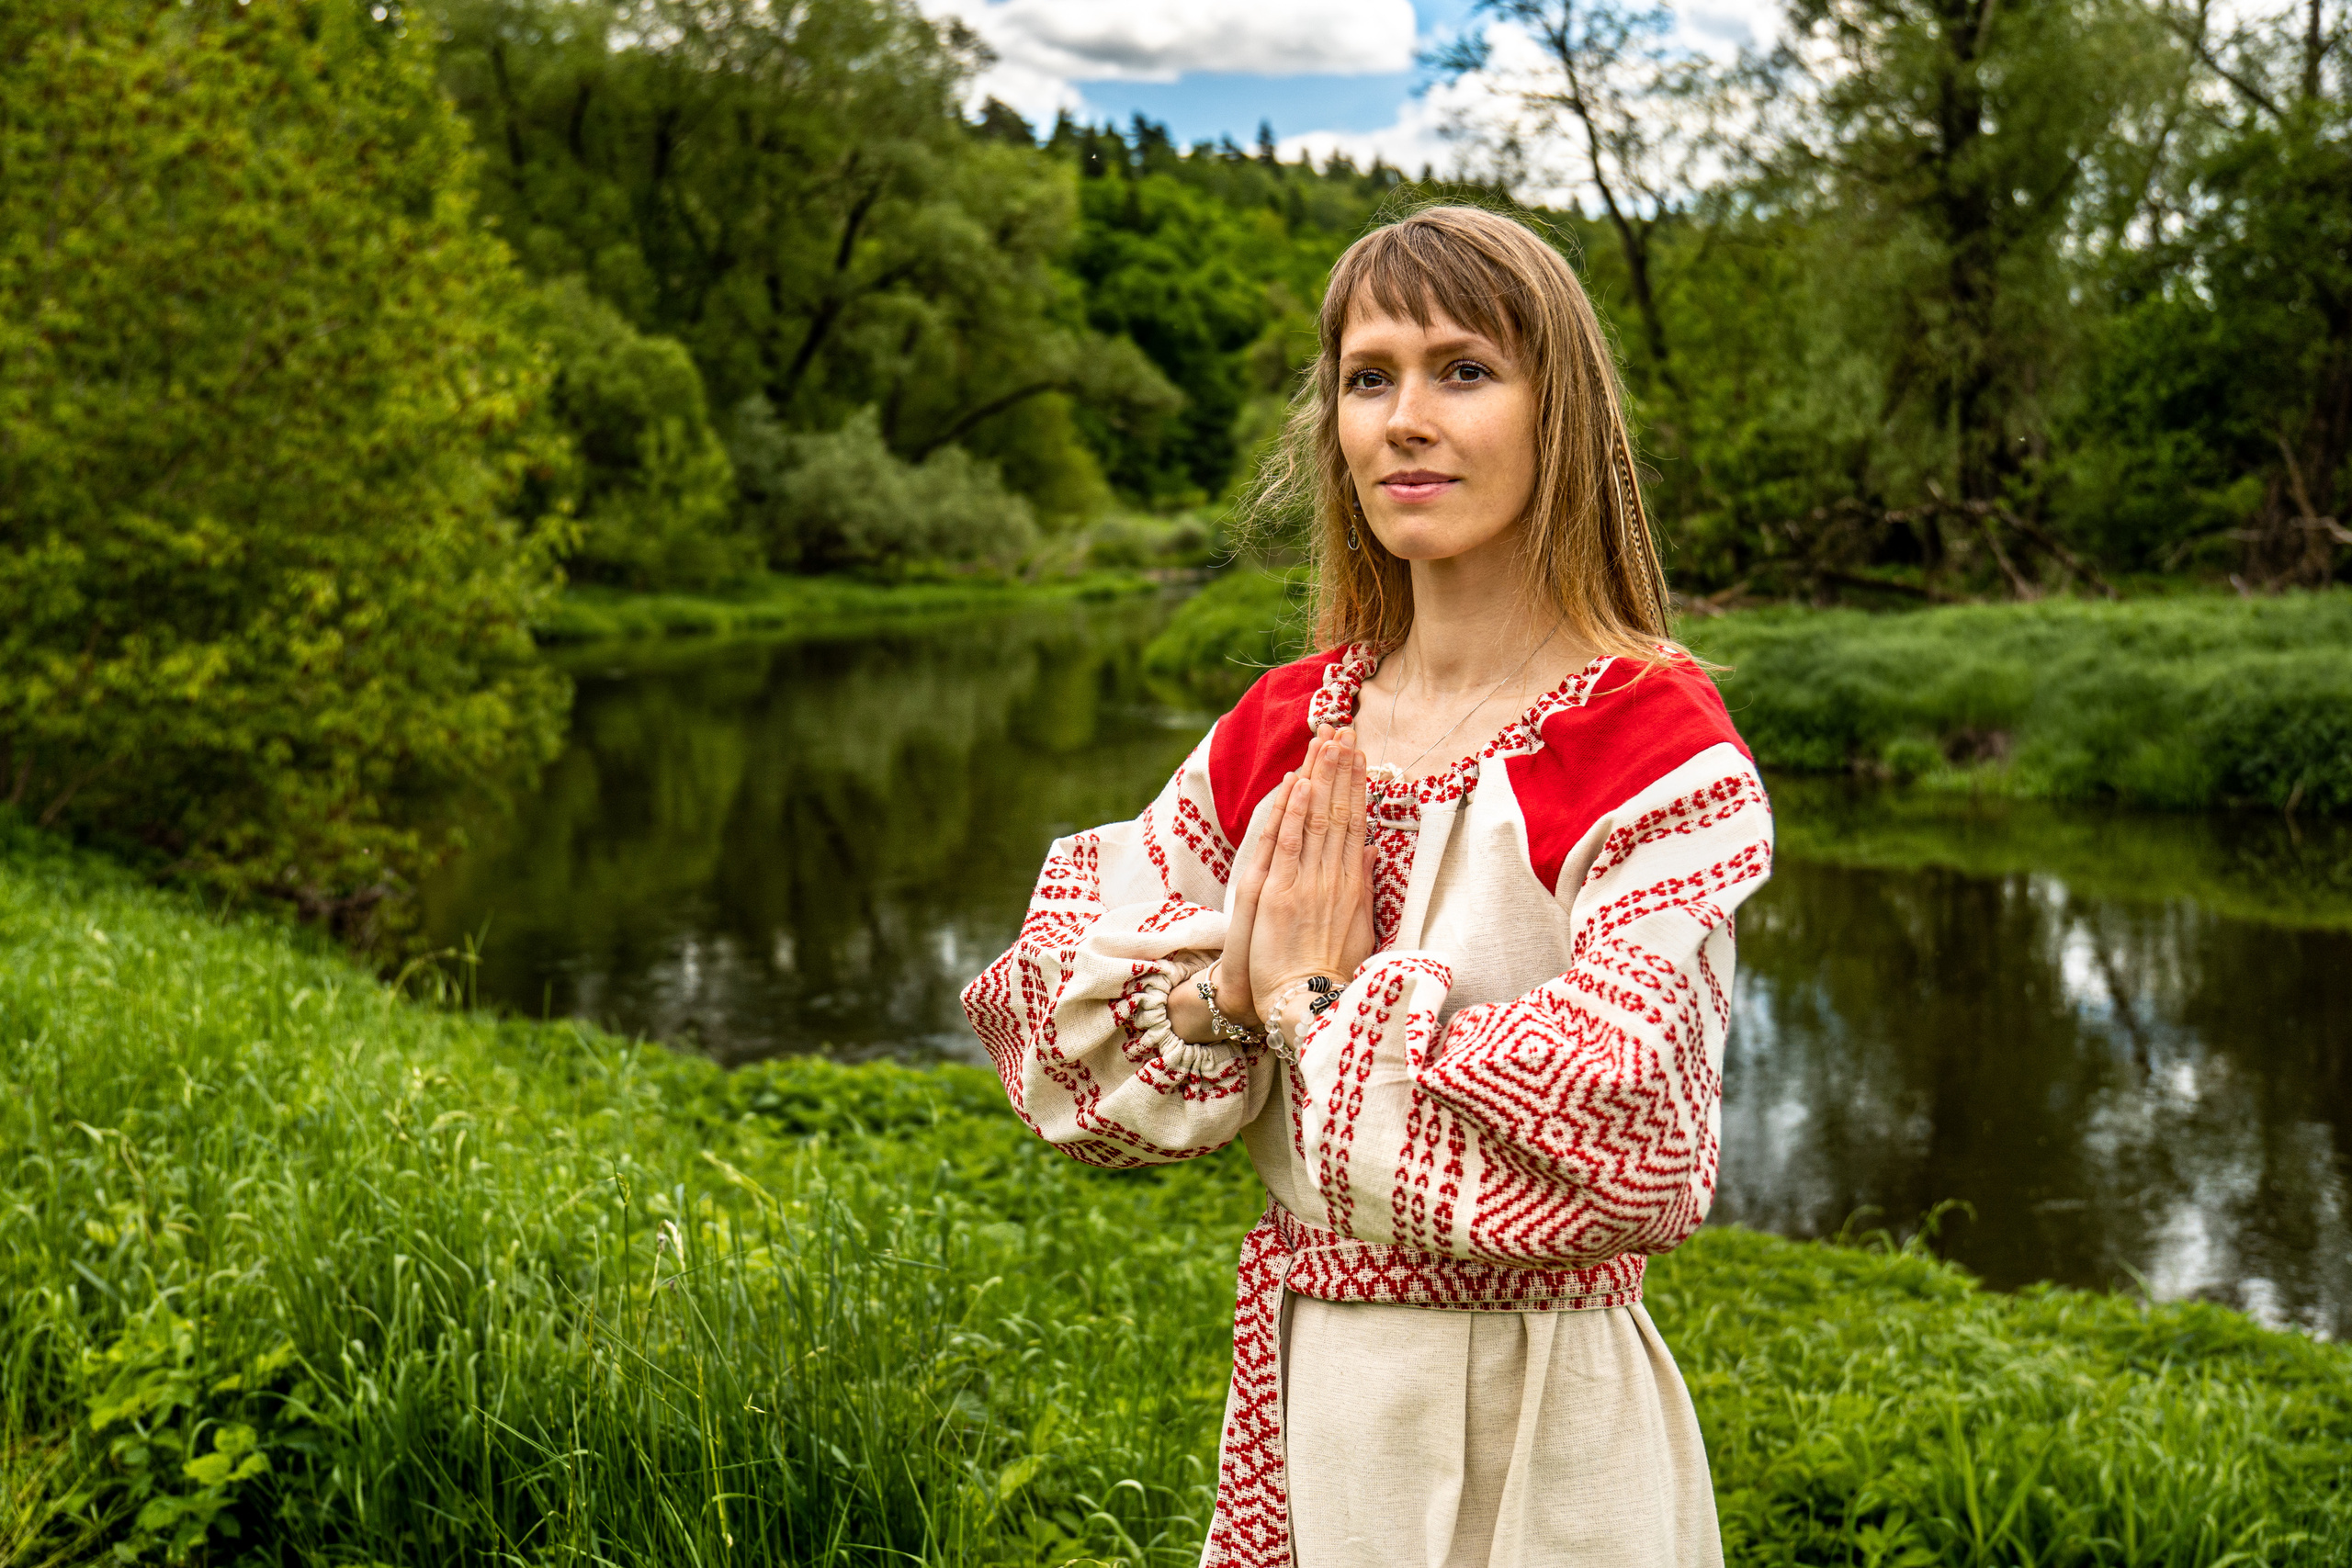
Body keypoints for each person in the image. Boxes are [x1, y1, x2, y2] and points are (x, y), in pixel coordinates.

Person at [961, 205, 1773, 1568]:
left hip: (1544, 1416)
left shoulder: (1644, 735)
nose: (1405, 417)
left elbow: (1623, 1124)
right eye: (1368, 375)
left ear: (1555, 409)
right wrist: (1230, 994)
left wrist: (1311, 1004)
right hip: (1316, 1398)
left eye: (1464, 370)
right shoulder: (1288, 728)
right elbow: (1060, 1045)